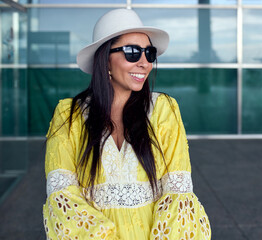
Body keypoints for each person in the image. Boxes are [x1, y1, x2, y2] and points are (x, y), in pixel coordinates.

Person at [42, 8, 211, 240]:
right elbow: (62, 198)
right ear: (105, 60)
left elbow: (178, 194)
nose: (145, 63)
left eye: (149, 53)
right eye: (132, 52)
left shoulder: (163, 109)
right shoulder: (69, 116)